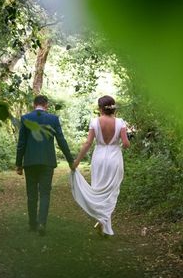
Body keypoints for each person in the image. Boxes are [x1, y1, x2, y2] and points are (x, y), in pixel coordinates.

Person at [70, 95, 130, 236]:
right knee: (111, 192)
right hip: (114, 158)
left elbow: (88, 143)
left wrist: (77, 161)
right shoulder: (120, 122)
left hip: (99, 158)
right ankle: (103, 222)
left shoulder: (95, 122)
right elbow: (126, 144)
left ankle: (102, 221)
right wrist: (122, 143)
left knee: (98, 189)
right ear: (113, 107)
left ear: (100, 108)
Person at [16, 95, 75, 236]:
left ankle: (32, 224)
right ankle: (42, 223)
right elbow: (61, 140)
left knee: (31, 194)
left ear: (34, 104)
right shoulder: (53, 119)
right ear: (46, 105)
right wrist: (70, 160)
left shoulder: (25, 118)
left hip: (30, 162)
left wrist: (19, 164)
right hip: (47, 162)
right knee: (45, 193)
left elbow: (21, 144)